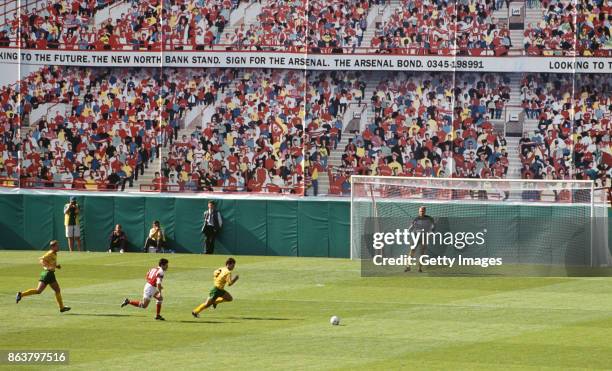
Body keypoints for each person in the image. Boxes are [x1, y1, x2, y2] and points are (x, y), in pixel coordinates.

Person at [15, 240, 71, 313]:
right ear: (53, 247)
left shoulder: (54, 253)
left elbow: (50, 262)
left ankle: (61, 308)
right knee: (45, 290)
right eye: (57, 246)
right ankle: (21, 294)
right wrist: (46, 266)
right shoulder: (50, 253)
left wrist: (56, 266)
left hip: (48, 274)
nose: (58, 247)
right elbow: (41, 259)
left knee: (49, 290)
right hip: (48, 274)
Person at [405, 206, 435, 273]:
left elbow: (433, 227)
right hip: (416, 237)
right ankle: (408, 267)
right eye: (420, 211)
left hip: (424, 237)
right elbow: (410, 228)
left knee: (422, 253)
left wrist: (430, 233)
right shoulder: (416, 219)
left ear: (425, 211)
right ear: (419, 211)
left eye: (423, 211)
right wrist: (409, 230)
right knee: (412, 251)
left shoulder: (429, 219)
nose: (422, 212)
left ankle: (419, 268)